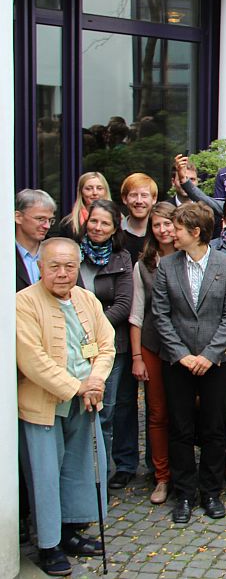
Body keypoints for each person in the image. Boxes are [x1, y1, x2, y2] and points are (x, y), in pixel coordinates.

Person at [18, 237, 116, 577]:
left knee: (80, 469)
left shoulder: (86, 298)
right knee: (45, 476)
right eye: (54, 266)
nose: (62, 274)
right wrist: (77, 387)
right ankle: (48, 545)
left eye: (69, 266)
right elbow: (33, 360)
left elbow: (106, 345)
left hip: (85, 401)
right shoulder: (23, 304)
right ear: (41, 268)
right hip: (45, 404)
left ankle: (72, 531)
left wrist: (96, 381)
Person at [151, 202, 226, 523]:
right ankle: (185, 494)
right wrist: (182, 355)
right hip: (178, 361)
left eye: (176, 228)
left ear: (195, 232)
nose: (170, 233)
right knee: (180, 427)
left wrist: (209, 355)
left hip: (217, 361)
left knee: (215, 427)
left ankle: (211, 492)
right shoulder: (166, 266)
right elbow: (161, 315)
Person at [76, 200, 134, 490]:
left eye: (105, 223)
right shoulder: (73, 256)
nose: (98, 228)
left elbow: (124, 305)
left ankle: (101, 477)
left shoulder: (121, 258)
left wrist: (92, 329)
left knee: (106, 412)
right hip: (73, 346)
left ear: (115, 229)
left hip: (110, 346)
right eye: (94, 221)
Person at [128, 202, 177, 506]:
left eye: (168, 224)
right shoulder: (143, 264)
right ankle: (162, 475)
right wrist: (136, 357)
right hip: (153, 345)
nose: (163, 230)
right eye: (157, 225)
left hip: (185, 347)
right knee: (157, 413)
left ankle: (185, 469)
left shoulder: (190, 258)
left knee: (184, 411)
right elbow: (136, 314)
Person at [16, 189, 57, 291]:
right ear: (18, 217)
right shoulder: (4, 252)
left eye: (50, 220)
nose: (47, 226)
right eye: (40, 219)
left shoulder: (57, 251)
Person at [55, 171, 110, 241]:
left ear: (105, 191)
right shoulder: (68, 223)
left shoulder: (119, 219)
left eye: (99, 188)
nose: (95, 193)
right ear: (81, 192)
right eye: (89, 188)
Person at [119, 173, 157, 261]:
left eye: (144, 195)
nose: (139, 201)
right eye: (134, 195)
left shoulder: (161, 233)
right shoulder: (115, 233)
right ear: (125, 199)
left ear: (154, 199)